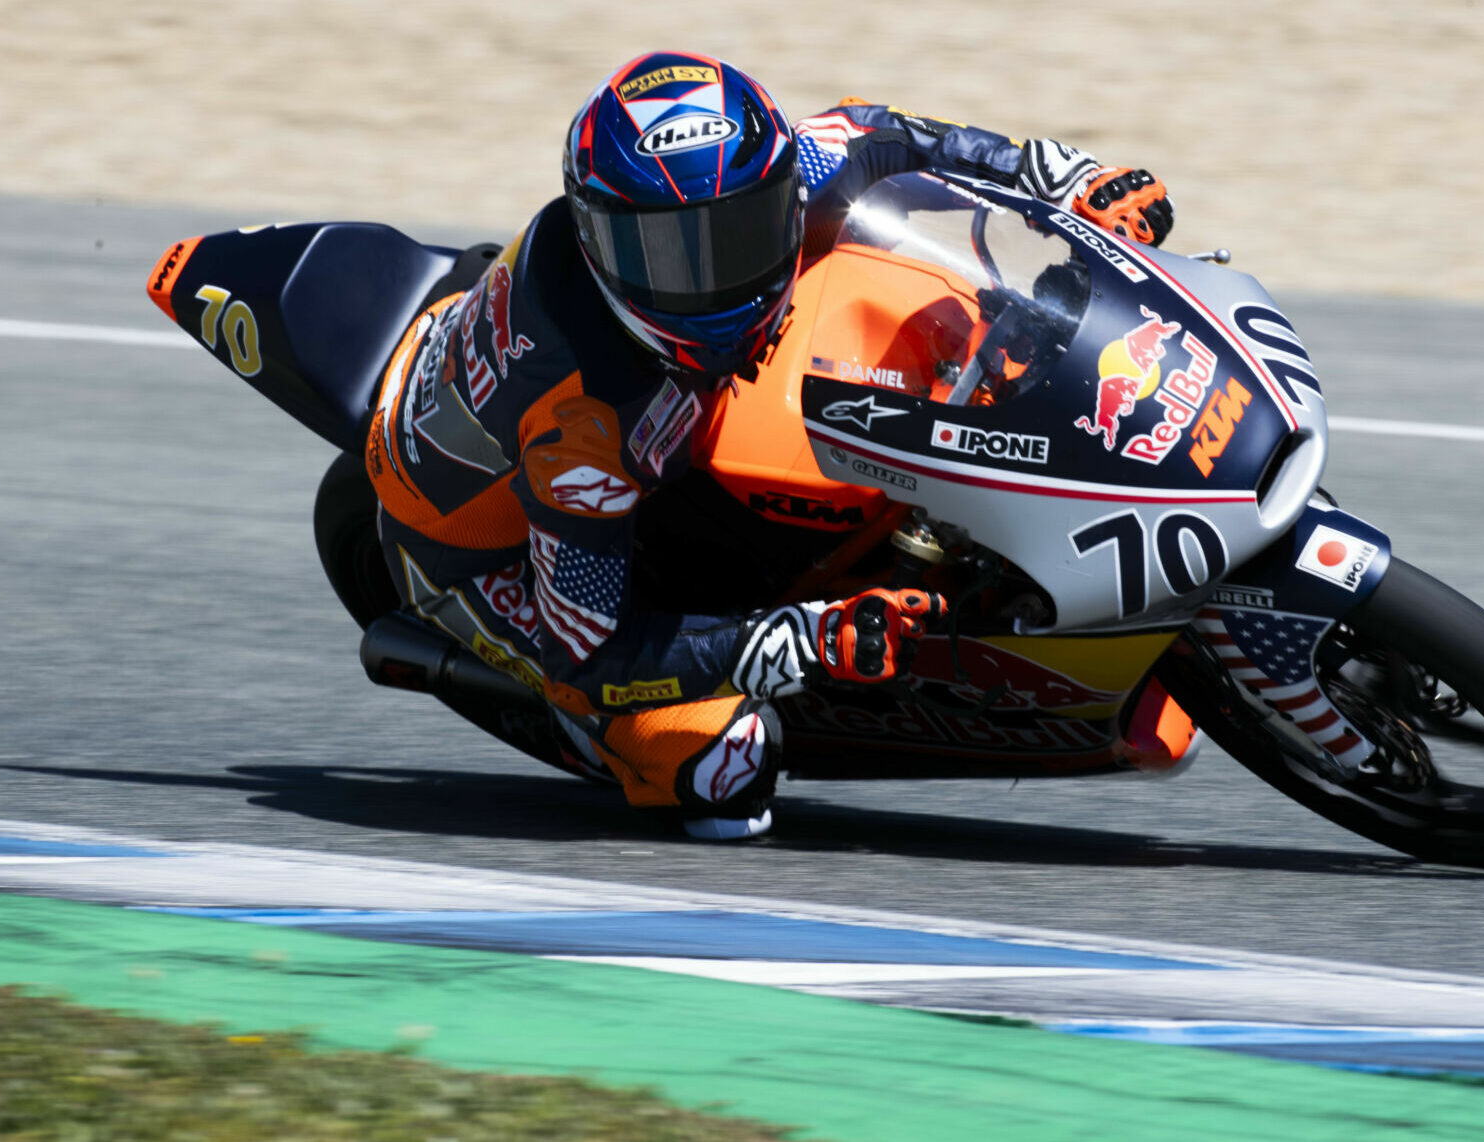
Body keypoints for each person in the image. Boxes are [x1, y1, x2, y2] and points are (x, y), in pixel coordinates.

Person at [365, 50, 1176, 840]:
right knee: (728, 770)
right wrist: (801, 639)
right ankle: (603, 742)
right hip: (484, 552)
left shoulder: (791, 166)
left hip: (642, 424)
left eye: (742, 230)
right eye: (671, 254)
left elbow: (886, 131)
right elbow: (592, 654)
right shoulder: (585, 429)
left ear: (782, 183)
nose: (714, 276)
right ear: (597, 241)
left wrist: (1063, 178)